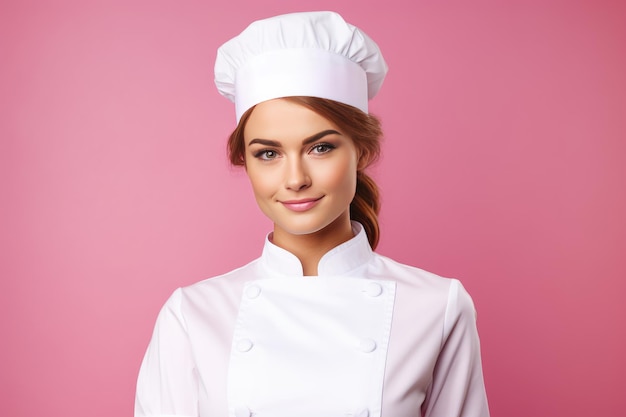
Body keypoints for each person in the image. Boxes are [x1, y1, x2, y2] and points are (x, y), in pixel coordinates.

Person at [135, 11, 490, 417]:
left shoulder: (437, 306)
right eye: (268, 153)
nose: (295, 178)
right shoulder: (193, 314)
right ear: (245, 162)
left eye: (320, 147)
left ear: (361, 151)